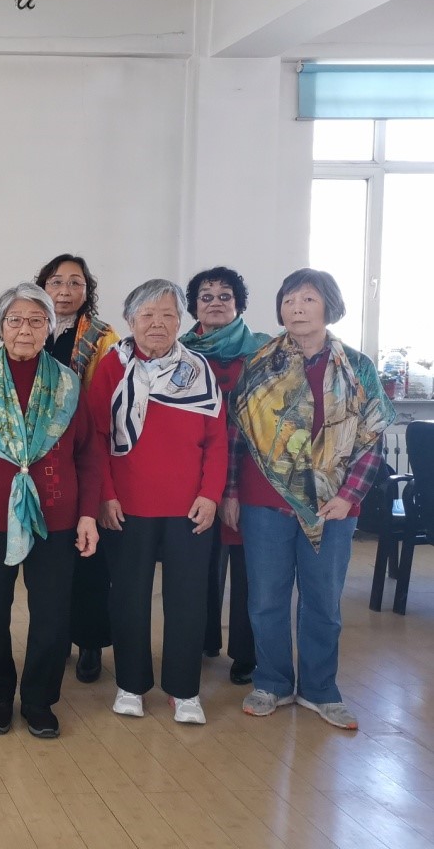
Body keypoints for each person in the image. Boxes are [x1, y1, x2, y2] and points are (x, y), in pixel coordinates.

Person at [224, 269, 393, 730]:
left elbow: (372, 438)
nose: (296, 308)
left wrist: (349, 497)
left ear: (328, 306)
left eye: (308, 299)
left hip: (331, 505)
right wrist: (232, 492)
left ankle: (320, 690)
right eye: (289, 300)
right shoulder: (259, 363)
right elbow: (237, 434)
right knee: (266, 599)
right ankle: (272, 683)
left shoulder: (356, 366)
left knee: (323, 601)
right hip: (264, 502)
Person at [0, 283, 101, 738]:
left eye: (35, 320)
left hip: (57, 518)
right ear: (0, 327)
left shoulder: (68, 385)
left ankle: (39, 700)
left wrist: (88, 514)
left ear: (49, 327)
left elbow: (89, 455)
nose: (24, 330)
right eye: (14, 320)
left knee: (51, 613)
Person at [88, 279, 225, 725]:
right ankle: (130, 684)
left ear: (181, 321)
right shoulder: (111, 367)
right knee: (129, 597)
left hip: (189, 507)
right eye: (147, 315)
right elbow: (96, 438)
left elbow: (217, 440)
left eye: (168, 315)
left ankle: (184, 691)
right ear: (130, 321)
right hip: (126, 506)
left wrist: (211, 494)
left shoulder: (199, 370)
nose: (157, 324)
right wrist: (106, 495)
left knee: (188, 599)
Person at [180, 266, 268, 686]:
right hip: (194, 473)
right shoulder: (180, 352)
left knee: (248, 565)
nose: (215, 302)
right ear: (194, 306)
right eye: (206, 296)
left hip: (250, 472)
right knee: (199, 559)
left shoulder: (262, 352)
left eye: (225, 295)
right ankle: (203, 638)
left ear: (239, 303)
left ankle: (246, 653)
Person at [34, 253, 118, 684]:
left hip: (82, 451)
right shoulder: (32, 327)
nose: (65, 291)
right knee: (51, 559)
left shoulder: (103, 337)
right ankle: (57, 638)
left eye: (75, 283)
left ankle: (89, 642)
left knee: (88, 557)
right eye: (56, 282)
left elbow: (106, 405)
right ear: (42, 287)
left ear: (88, 290)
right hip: (37, 459)